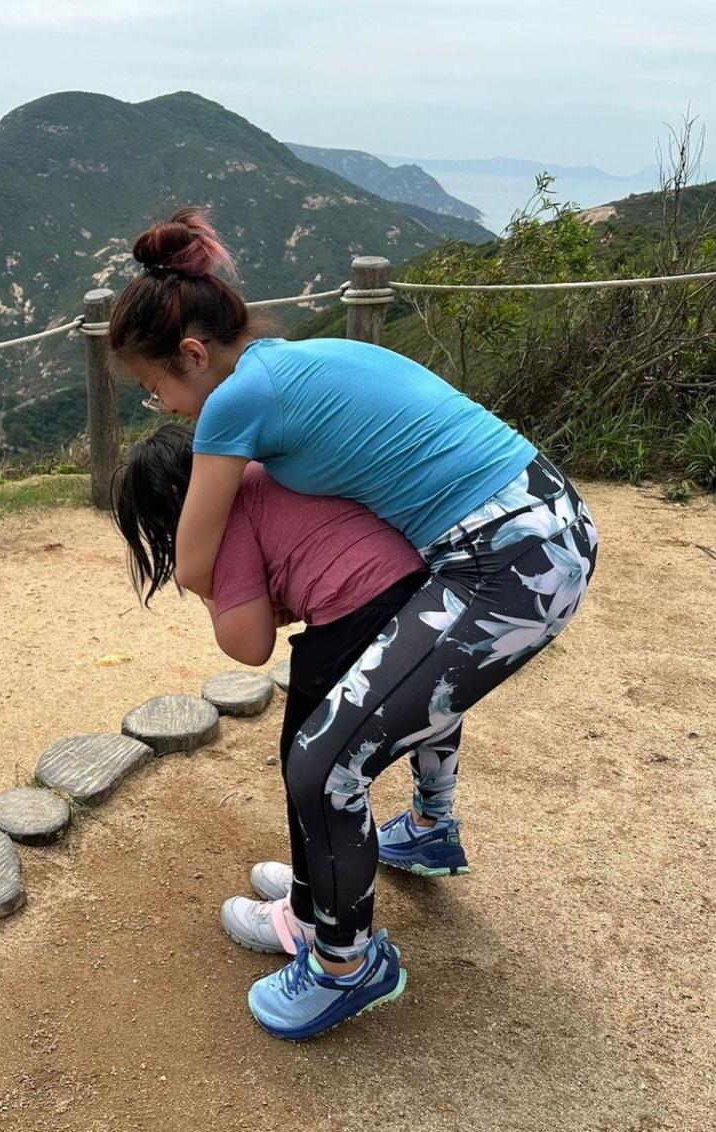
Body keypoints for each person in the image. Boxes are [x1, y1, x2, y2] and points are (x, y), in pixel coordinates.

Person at [107, 207, 598, 1041]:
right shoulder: (302, 360)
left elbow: (193, 559)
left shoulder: (233, 404)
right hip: (547, 521)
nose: (165, 405)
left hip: (504, 562)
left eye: (156, 387)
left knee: (321, 764)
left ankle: (346, 965)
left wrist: (234, 564)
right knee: (411, 686)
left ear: (193, 355)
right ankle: (432, 831)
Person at [111, 423, 469, 949]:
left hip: (352, 621)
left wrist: (208, 584)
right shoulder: (270, 472)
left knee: (309, 769)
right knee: (433, 715)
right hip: (429, 594)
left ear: (173, 499)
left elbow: (249, 645)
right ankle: (429, 823)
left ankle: (308, 915)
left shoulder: (219, 519)